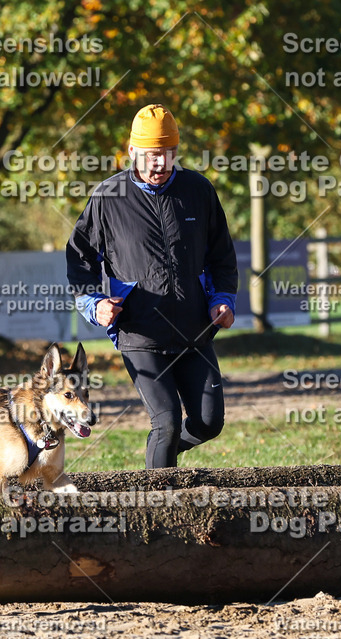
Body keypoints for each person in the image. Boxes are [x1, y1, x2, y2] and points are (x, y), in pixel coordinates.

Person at [66, 104, 238, 469]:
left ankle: (159, 462)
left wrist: (221, 300)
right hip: (139, 333)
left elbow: (221, 255)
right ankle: (158, 506)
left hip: (195, 330)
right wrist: (94, 304)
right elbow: (80, 258)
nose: (159, 163)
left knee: (209, 422)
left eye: (167, 154)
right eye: (150, 155)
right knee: (167, 422)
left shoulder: (198, 191)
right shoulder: (107, 197)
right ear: (131, 152)